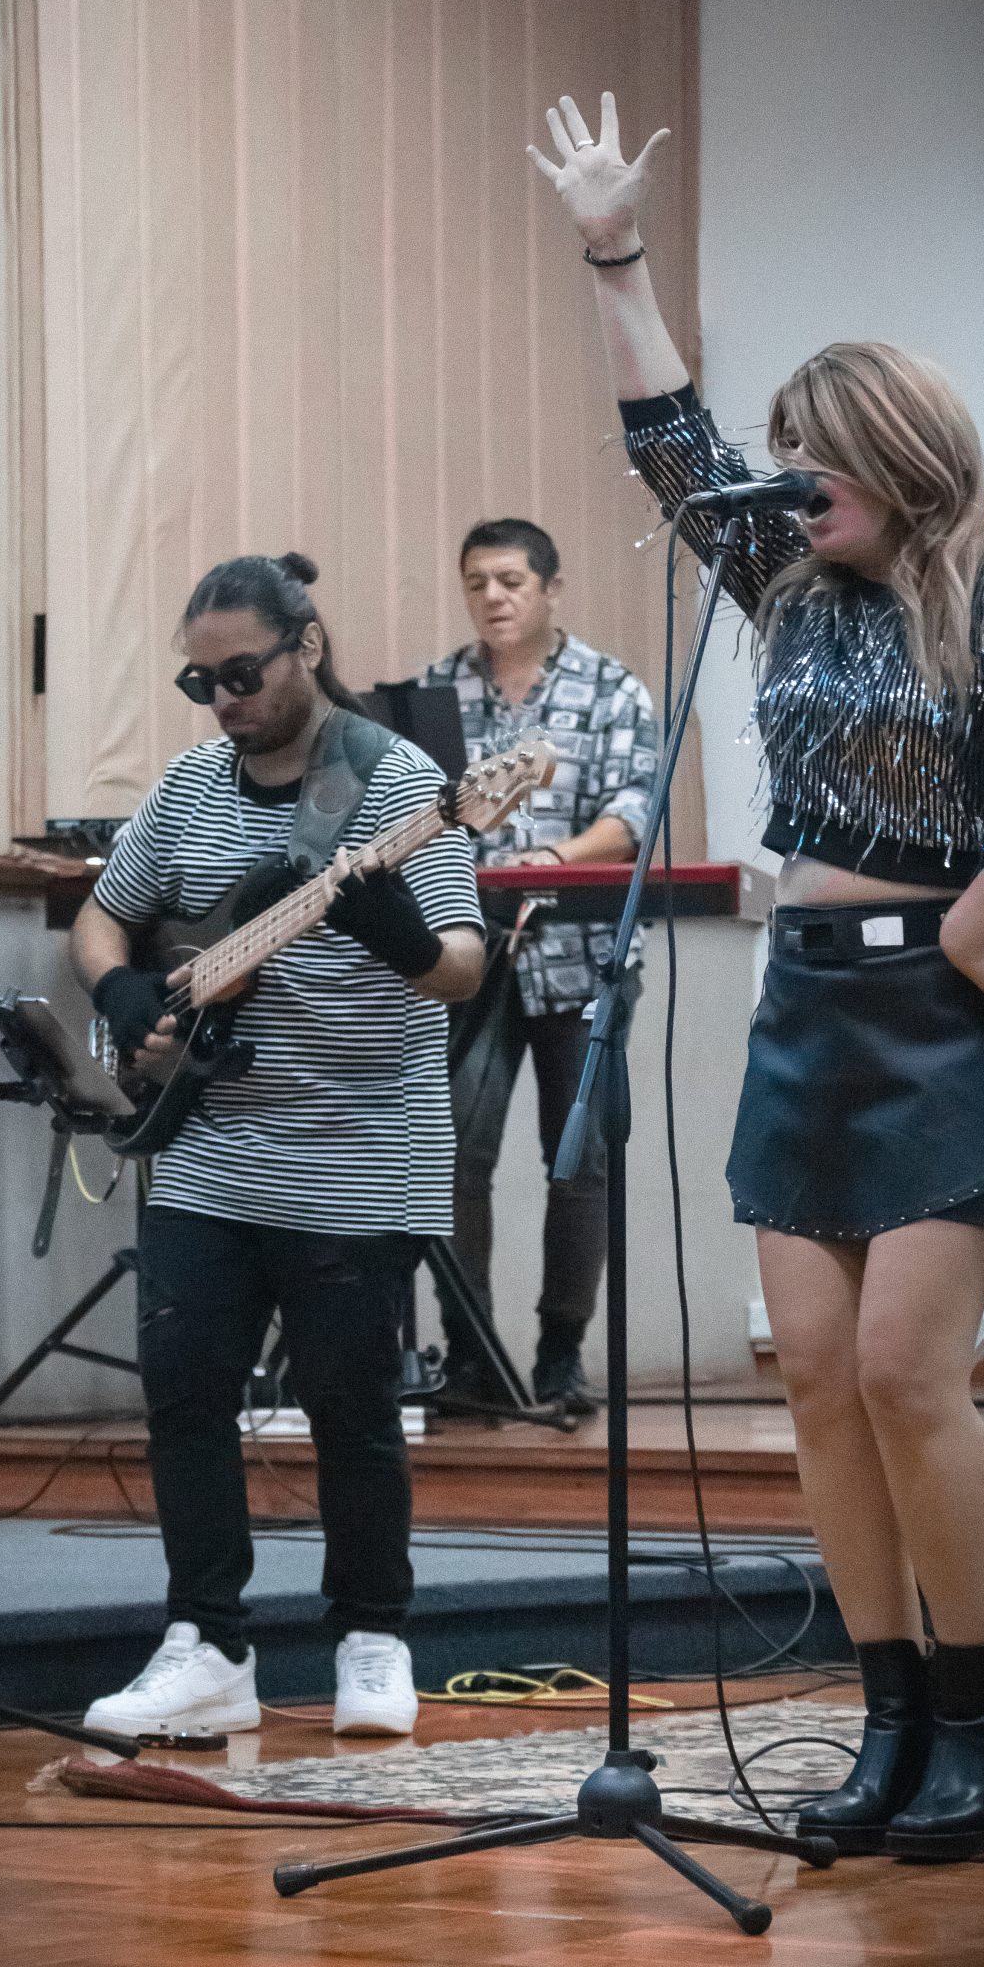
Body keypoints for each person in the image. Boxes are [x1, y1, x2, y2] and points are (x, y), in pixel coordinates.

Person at [530, 91, 984, 1860]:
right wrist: (612, 252)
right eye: (783, 457)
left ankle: (980, 1732)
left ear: (903, 457)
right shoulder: (784, 582)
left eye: (821, 457)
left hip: (949, 1020)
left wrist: (974, 919)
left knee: (900, 1372)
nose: (792, 482)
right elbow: (667, 438)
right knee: (808, 1369)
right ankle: (885, 1723)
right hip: (806, 1006)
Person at [70, 553, 484, 1743]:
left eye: (242, 673)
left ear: (306, 645)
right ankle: (207, 1647)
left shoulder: (398, 783)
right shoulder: (193, 782)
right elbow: (103, 914)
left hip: (359, 1149)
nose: (223, 700)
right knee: (184, 1395)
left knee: (352, 1408)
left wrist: (400, 933)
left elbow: (463, 966)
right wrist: (122, 991)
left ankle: (372, 1637)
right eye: (201, 682)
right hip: (212, 1144)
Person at [419, 521, 659, 1411]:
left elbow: (634, 812)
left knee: (578, 1160)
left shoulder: (611, 687)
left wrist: (557, 859)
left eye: (510, 580)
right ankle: (471, 1355)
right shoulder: (434, 691)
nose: (492, 597)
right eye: (475, 581)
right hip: (466, 956)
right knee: (454, 1156)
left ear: (550, 588)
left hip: (582, 954)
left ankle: (562, 1355)